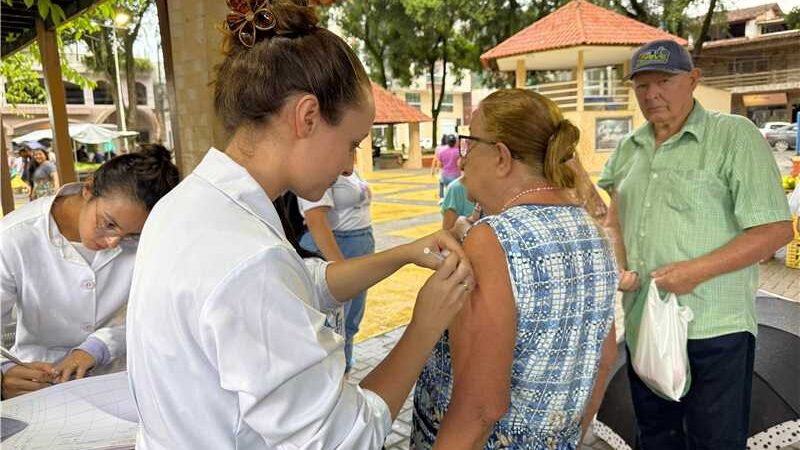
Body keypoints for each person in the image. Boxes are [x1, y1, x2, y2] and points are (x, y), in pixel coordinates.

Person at [125, 2, 474, 448]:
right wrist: (425, 325)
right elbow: (346, 436)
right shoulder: (247, 259)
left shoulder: (188, 207)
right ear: (307, 116)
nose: (350, 167)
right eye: (351, 143)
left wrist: (404, 254)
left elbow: (298, 284)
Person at [597, 40, 794, 449]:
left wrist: (695, 271)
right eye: (642, 86)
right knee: (654, 436)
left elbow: (776, 231)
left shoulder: (732, 136)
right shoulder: (628, 148)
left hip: (713, 327)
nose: (652, 94)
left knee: (714, 441)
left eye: (664, 81)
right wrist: (619, 266)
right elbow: (613, 221)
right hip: (644, 323)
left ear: (693, 80)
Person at [411, 89, 620, 449]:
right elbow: (604, 358)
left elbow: (480, 406)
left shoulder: (494, 240)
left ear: (502, 157)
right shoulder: (592, 232)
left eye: (469, 144)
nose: (462, 161)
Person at [0, 144, 180, 399]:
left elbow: (153, 307)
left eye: (130, 235)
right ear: (88, 188)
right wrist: (5, 372)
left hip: (121, 380)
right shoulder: (14, 237)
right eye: (107, 223)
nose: (112, 242)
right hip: (37, 383)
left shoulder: (152, 237)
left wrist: (97, 348)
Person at [297, 170, 375, 373]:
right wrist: (341, 268)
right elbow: (316, 220)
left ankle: (344, 370)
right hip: (337, 246)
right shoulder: (319, 164)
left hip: (359, 245)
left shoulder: (349, 168)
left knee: (351, 320)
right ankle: (335, 377)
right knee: (333, 325)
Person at [431, 134, 460, 199]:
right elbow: (459, 164)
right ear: (455, 142)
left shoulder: (441, 152)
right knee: (455, 194)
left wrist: (436, 170)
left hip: (445, 175)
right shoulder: (458, 152)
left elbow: (439, 163)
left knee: (447, 190)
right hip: (456, 176)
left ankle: (443, 199)